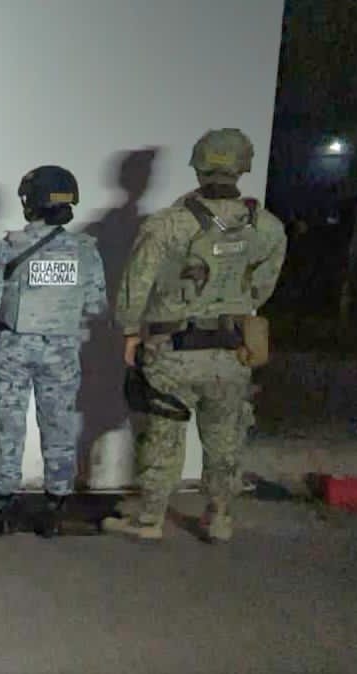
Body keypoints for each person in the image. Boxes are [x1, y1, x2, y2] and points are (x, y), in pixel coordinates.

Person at [103, 129, 287, 543]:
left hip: (172, 351)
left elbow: (135, 286)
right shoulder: (266, 227)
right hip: (232, 352)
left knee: (164, 434)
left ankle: (150, 520)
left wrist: (130, 331)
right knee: (225, 437)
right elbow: (262, 288)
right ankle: (219, 517)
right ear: (243, 167)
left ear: (199, 166)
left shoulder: (167, 224)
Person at [0, 165, 107, 537]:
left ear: (30, 202)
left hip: (12, 349)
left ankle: (2, 506)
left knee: (8, 427)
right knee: (59, 425)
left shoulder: (7, 249)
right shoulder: (85, 252)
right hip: (61, 350)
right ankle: (56, 507)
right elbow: (96, 305)